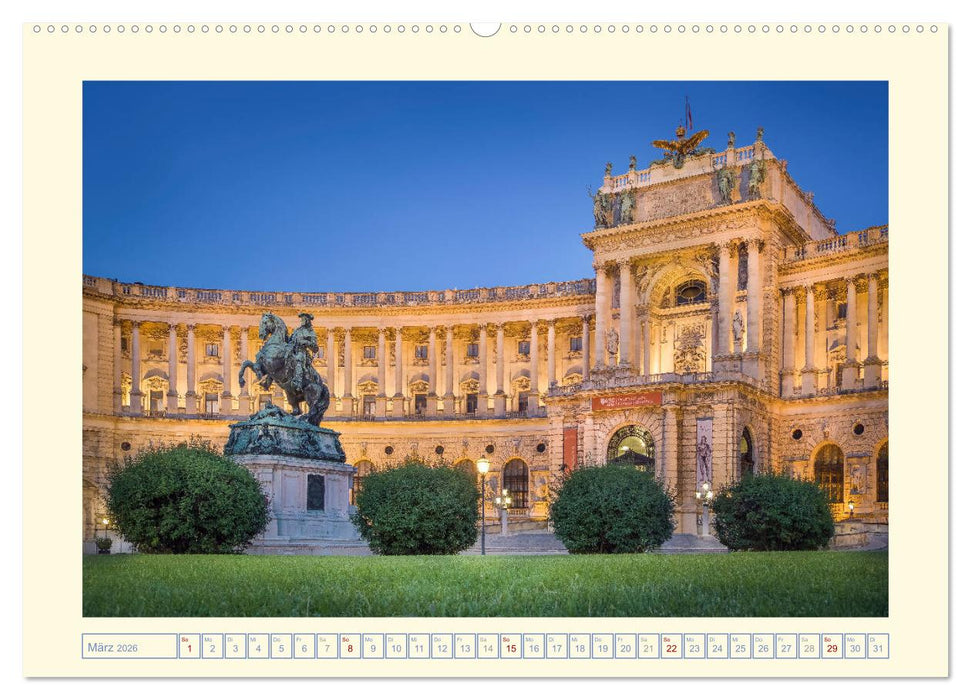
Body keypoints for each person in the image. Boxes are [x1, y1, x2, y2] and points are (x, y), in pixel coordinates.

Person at [289, 312, 319, 391]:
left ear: (307, 321)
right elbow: (290, 341)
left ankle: (298, 383)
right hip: (292, 350)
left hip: (301, 352)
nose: (301, 321)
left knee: (298, 361)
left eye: (303, 319)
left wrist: (305, 342)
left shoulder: (311, 332)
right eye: (301, 319)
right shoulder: (296, 331)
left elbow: (315, 348)